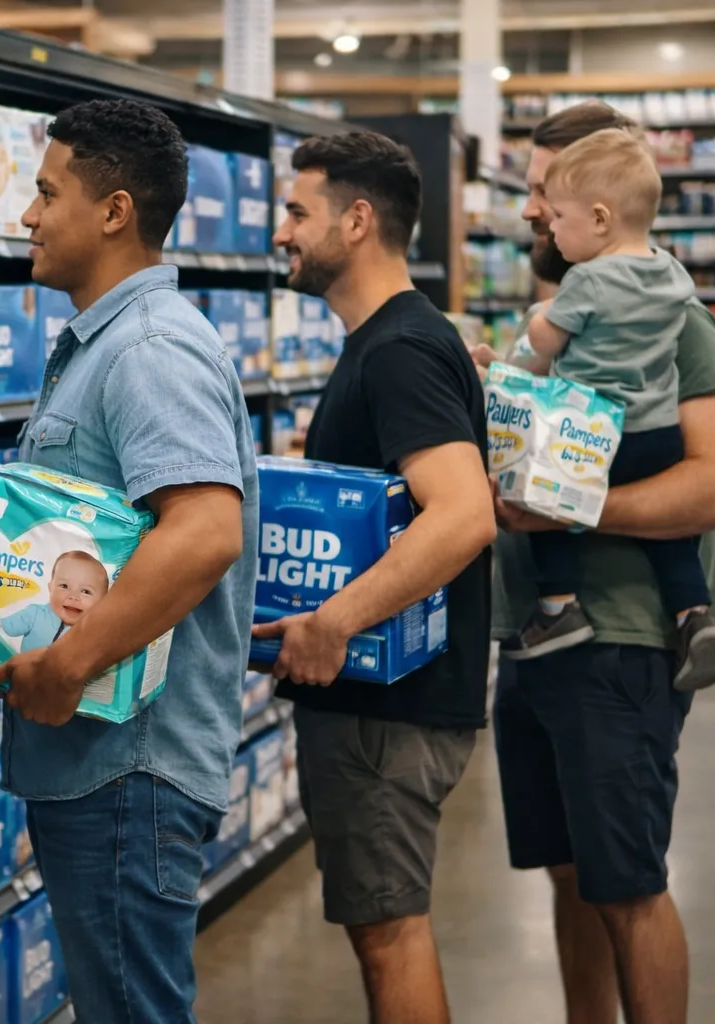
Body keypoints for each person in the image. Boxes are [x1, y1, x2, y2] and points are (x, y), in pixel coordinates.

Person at [0, 98, 257, 1022]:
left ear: (114, 211)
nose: (27, 214)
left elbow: (205, 531)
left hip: (126, 768)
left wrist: (68, 664)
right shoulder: (109, 346)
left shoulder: (147, 348)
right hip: (103, 769)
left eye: (46, 192)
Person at [485, 100, 715, 1024]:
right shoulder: (577, 316)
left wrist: (565, 506)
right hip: (537, 638)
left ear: (596, 205)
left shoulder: (676, 324)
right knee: (572, 876)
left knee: (629, 883)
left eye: (541, 193)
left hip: (621, 645)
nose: (530, 212)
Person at [253, 131, 495, 1024]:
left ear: (357, 221)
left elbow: (463, 513)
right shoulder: (396, 339)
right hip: (389, 707)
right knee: (384, 928)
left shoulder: (397, 350)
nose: (281, 232)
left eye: (296, 211)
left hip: (390, 715)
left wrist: (335, 621)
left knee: (391, 933)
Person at [504, 128, 715, 688]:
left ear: (600, 219)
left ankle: (558, 608)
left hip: (593, 431)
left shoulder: (585, 281)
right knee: (673, 540)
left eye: (556, 213)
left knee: (548, 508)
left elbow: (546, 340)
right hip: (656, 432)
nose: (547, 224)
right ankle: (692, 613)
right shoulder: (672, 273)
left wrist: (532, 331)